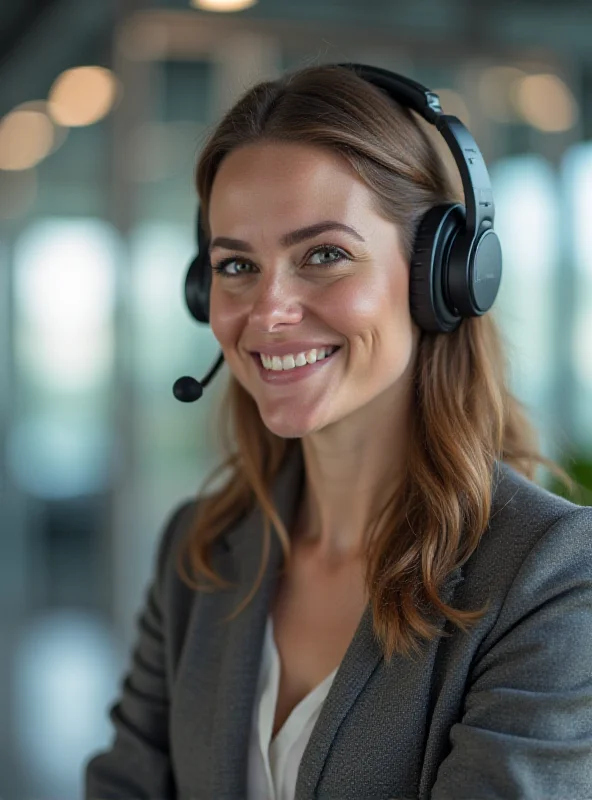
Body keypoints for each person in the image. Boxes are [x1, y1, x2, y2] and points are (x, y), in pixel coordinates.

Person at [84, 63, 592, 800]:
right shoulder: (199, 553)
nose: (267, 312)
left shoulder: (548, 576)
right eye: (236, 265)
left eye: (324, 255)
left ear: (441, 274)